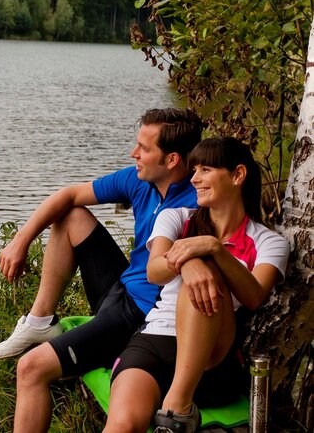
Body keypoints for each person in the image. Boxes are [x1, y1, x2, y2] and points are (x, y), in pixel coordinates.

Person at [0, 107, 204, 433]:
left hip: (141, 314)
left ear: (172, 159)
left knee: (30, 368)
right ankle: (40, 322)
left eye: (144, 148)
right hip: (122, 287)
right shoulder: (140, 180)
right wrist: (20, 241)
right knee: (71, 213)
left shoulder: (199, 201)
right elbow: (69, 194)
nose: (134, 153)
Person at [104, 137, 289, 433]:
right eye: (194, 170)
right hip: (155, 340)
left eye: (205, 170)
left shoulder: (269, 242)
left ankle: (178, 407)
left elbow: (254, 296)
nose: (194, 179)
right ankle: (174, 411)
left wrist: (213, 249)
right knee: (123, 425)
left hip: (213, 360)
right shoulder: (177, 218)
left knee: (208, 274)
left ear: (238, 175)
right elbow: (154, 271)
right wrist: (189, 261)